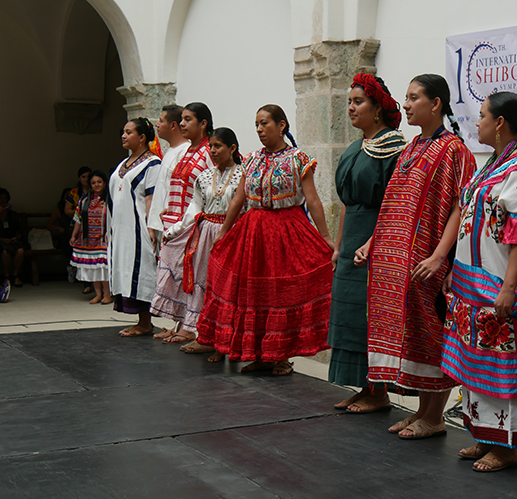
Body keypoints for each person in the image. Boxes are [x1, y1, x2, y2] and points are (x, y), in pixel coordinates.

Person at [354, 74, 476, 439]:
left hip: (427, 262)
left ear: (435, 103)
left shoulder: (454, 149)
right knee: (410, 334)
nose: (405, 105)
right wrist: (373, 241)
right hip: (396, 262)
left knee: (429, 333)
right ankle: (422, 410)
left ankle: (435, 416)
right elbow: (393, 203)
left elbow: (460, 206)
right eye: (405, 98)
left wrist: (440, 257)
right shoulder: (410, 149)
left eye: (413, 98)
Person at [442, 92, 517, 470]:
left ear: (500, 122)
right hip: (472, 285)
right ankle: (484, 435)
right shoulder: (491, 164)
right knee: (475, 367)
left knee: (504, 368)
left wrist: (508, 287)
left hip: (499, 285)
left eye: (482, 116)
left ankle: (506, 447)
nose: (477, 122)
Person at [196, 104, 334, 376]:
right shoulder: (251, 160)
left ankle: (280, 356)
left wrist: (326, 237)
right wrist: (223, 232)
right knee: (254, 296)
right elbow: (239, 198)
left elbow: (312, 199)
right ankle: (260, 354)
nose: (259, 129)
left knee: (279, 294)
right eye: (256, 124)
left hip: (286, 231)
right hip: (253, 233)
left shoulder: (298, 159)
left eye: (265, 123)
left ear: (281, 125)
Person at [329, 73, 406, 413]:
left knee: (370, 315)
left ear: (377, 108)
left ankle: (379, 392)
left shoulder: (395, 148)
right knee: (350, 313)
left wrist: (373, 242)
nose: (351, 108)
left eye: (358, 102)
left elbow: (396, 205)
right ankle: (364, 387)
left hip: (378, 237)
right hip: (351, 241)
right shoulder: (353, 148)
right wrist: (338, 244)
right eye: (349, 102)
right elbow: (347, 203)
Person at [150, 127, 244, 359]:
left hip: (232, 235)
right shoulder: (203, 177)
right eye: (210, 146)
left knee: (229, 288)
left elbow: (247, 208)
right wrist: (174, 230)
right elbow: (195, 208)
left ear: (232, 148)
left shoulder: (243, 175)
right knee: (204, 283)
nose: (212, 151)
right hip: (205, 237)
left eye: (218, 146)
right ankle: (206, 337)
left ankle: (228, 341)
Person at [155, 102, 213, 344]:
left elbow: (210, 190)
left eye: (188, 120)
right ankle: (180, 322)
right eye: (182, 119)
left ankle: (192, 327)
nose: (182, 124)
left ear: (203, 124)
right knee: (178, 275)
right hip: (177, 222)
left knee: (194, 277)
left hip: (194, 224)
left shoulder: (209, 151)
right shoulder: (189, 150)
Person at [108, 118, 162, 336]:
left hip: (139, 229)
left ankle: (145, 323)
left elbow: (152, 198)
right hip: (121, 229)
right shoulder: (123, 164)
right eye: (123, 132)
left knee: (142, 271)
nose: (123, 135)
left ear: (141, 138)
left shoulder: (152, 164)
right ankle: (142, 321)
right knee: (126, 270)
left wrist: (152, 228)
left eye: (128, 132)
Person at [148, 104, 189, 244]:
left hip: (174, 225)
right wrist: (153, 224)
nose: (157, 124)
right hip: (161, 224)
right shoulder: (170, 151)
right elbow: (161, 189)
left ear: (173, 125)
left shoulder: (185, 152)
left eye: (161, 121)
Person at [69, 170, 111, 304]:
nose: (96, 185)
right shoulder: (84, 201)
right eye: (93, 183)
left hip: (103, 239)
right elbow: (78, 220)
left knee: (103, 267)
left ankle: (108, 295)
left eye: (99, 182)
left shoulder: (110, 201)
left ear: (105, 183)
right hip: (88, 240)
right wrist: (74, 235)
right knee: (93, 268)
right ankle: (98, 294)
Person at [67, 166, 93, 292]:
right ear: (79, 178)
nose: (86, 180)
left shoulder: (96, 190)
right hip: (77, 226)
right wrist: (83, 211)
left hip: (95, 227)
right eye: (83, 177)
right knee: (82, 256)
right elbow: (67, 210)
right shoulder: (74, 193)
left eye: (89, 177)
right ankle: (85, 284)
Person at [0, 188, 25, 287]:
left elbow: (19, 232)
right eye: (0, 198)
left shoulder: (12, 215)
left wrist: (15, 238)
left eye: (4, 198)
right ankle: (6, 276)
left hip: (12, 240)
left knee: (20, 250)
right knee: (5, 251)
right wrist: (1, 240)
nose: (2, 200)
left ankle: (15, 275)